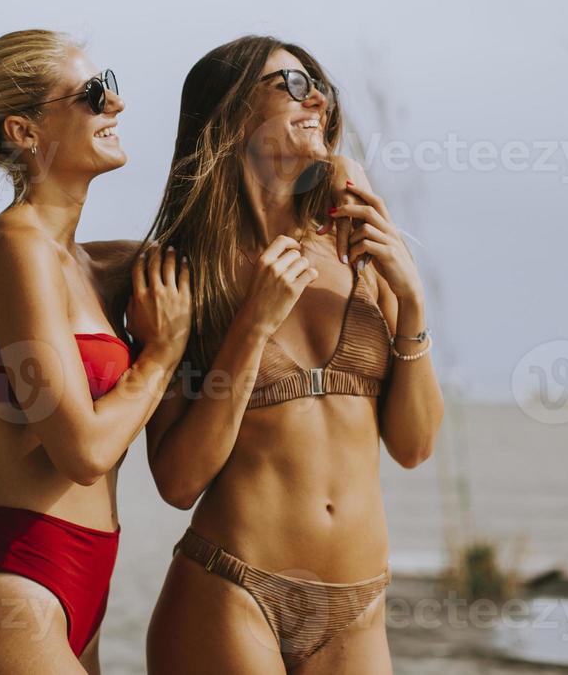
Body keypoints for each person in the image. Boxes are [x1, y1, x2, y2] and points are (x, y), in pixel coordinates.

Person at [143, 35, 444, 674]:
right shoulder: (184, 274)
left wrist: (412, 302)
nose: (319, 101)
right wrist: (251, 326)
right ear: (230, 116)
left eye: (321, 88)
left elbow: (414, 448)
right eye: (293, 85)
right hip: (233, 590)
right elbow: (177, 481)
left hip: (358, 608)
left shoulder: (357, 255)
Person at [0, 29, 191, 674]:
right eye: (92, 93)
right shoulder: (16, 249)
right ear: (25, 132)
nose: (116, 103)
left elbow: (215, 261)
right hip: (11, 590)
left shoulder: (92, 266)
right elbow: (81, 451)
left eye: (108, 84)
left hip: (82, 585)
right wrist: (162, 352)